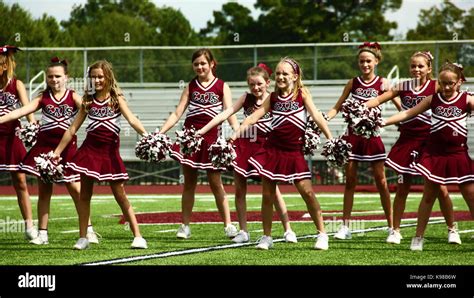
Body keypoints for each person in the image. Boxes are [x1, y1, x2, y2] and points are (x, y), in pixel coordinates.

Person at [229, 57, 331, 250]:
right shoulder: (273, 98)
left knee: (307, 193)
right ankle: (267, 237)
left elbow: (316, 116)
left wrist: (330, 137)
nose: (281, 76)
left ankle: (322, 234)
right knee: (267, 195)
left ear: (295, 76)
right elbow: (252, 117)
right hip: (272, 151)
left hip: (293, 152)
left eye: (285, 73)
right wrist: (235, 135)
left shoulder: (302, 95)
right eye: (278, 73)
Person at [0, 57, 99, 245]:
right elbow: (19, 112)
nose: (54, 80)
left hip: (66, 150)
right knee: (44, 192)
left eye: (58, 76)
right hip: (44, 149)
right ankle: (43, 234)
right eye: (50, 76)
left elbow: (89, 110)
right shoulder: (42, 97)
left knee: (75, 190)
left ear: (66, 77)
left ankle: (89, 230)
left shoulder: (73, 96)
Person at [366, 51, 460, 245]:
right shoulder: (404, 86)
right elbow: (378, 99)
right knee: (402, 187)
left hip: (430, 142)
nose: (416, 69)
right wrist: (361, 108)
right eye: (413, 66)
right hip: (407, 142)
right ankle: (395, 230)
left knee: (440, 189)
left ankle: (452, 229)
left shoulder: (437, 86)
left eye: (420, 66)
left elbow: (454, 96)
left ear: (428, 68)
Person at [197, 63, 297, 243]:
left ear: (268, 82)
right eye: (252, 84)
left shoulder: (273, 99)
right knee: (239, 190)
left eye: (259, 84)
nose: (256, 88)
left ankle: (288, 229)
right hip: (245, 146)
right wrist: (202, 130)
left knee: (273, 192)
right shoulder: (246, 98)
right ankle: (244, 231)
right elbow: (225, 113)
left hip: (266, 147)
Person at [53, 60, 147, 250]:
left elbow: (131, 119)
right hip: (89, 152)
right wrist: (57, 152)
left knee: (120, 194)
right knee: (85, 195)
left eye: (100, 76)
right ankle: (83, 237)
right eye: (93, 77)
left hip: (110, 152)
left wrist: (147, 136)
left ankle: (138, 236)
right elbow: (72, 128)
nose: (96, 80)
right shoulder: (88, 100)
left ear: (108, 77)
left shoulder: (116, 98)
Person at [384, 62, 474, 251]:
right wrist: (382, 122)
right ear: (439, 83)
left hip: (458, 154)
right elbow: (408, 113)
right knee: (428, 196)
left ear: (459, 82)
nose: (447, 87)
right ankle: (418, 238)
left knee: (471, 195)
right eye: (443, 83)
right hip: (435, 155)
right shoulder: (433, 99)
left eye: (451, 83)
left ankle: (452, 230)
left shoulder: (467, 99)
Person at [159, 48, 238, 240]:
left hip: (212, 141)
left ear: (212, 64)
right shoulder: (191, 86)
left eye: (203, 63)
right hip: (191, 140)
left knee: (215, 183)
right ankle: (185, 225)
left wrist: (236, 130)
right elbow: (178, 113)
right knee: (189, 183)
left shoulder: (221, 86)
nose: (199, 67)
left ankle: (228, 225)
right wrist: (160, 132)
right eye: (196, 64)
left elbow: (229, 112)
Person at [326, 42, 393, 240]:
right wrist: (324, 118)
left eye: (368, 61)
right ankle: (345, 227)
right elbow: (337, 107)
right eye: (362, 61)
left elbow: (400, 103)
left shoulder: (383, 83)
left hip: (373, 137)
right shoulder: (352, 83)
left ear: (376, 61)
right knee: (350, 181)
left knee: (381, 181)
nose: (365, 65)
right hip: (352, 137)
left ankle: (392, 226)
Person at [0, 45, 37, 240]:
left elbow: (28, 109)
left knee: (20, 181)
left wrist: (32, 128)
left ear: (5, 65)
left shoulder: (17, 84)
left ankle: (29, 226)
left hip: (11, 137)